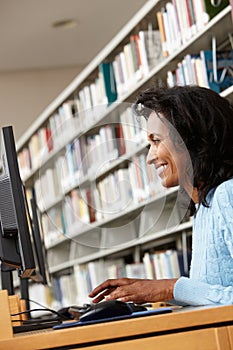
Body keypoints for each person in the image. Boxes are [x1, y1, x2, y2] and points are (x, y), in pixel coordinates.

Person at [89, 85, 233, 306]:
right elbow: (213, 296)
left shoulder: (227, 195)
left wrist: (169, 287)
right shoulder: (204, 207)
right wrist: (151, 290)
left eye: (156, 141)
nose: (149, 157)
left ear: (191, 140)